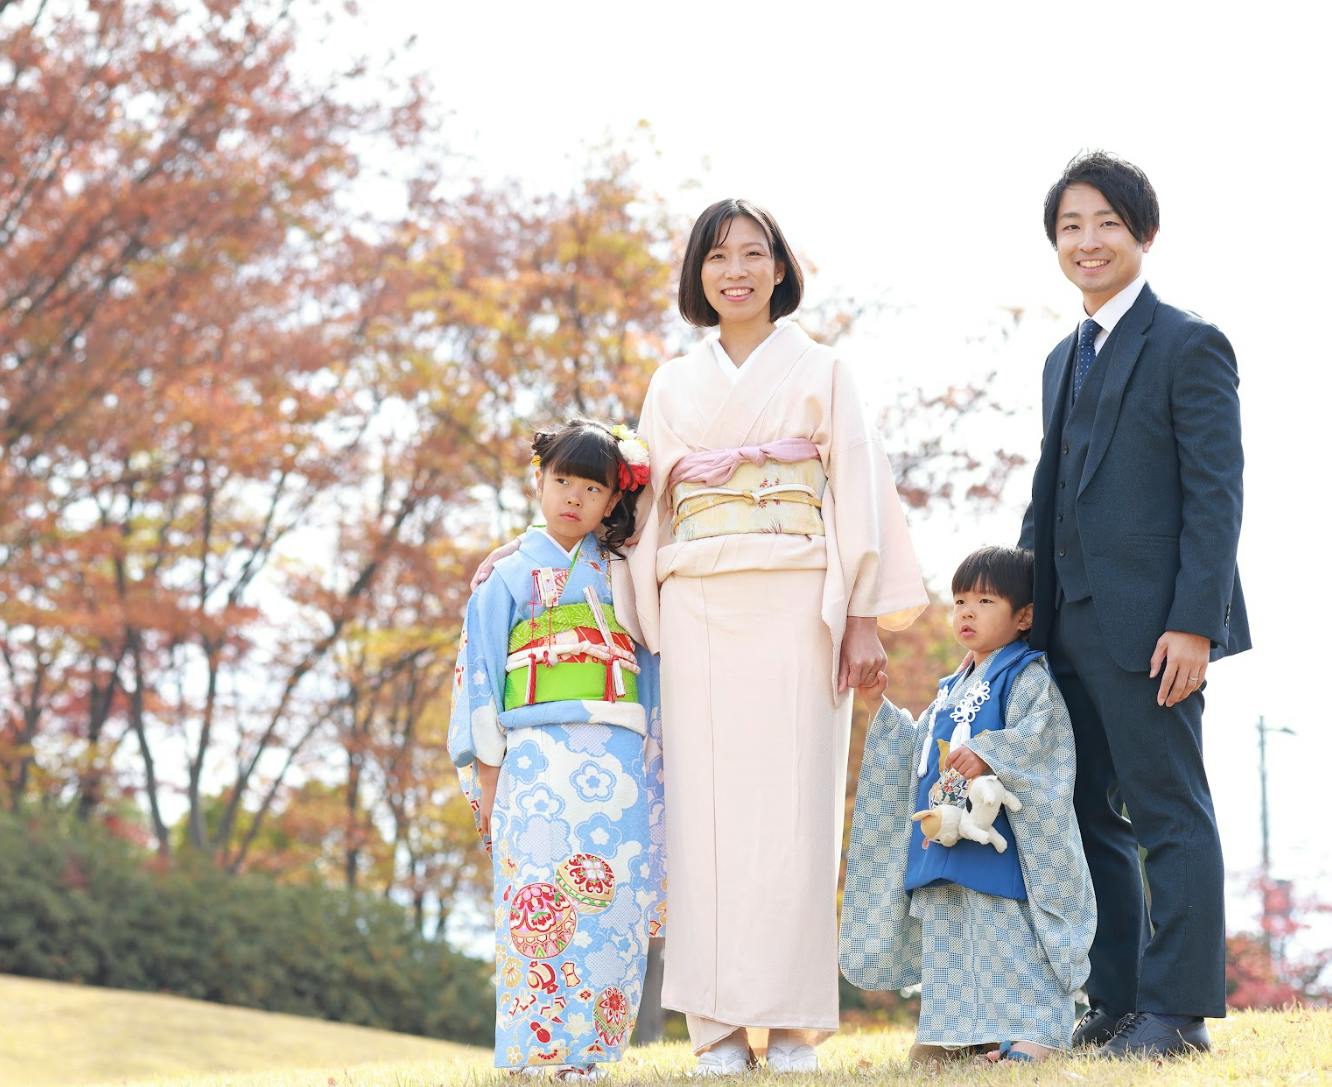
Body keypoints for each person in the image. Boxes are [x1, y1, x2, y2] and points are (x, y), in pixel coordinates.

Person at [626, 199, 927, 1075]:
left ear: (781, 268)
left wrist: (861, 616)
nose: (737, 271)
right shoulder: (671, 384)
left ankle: (793, 1025)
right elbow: (644, 508)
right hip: (698, 600)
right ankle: (716, 1028)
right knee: (705, 818)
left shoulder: (824, 370)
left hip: (800, 598)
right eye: (718, 257)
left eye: (753, 253)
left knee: (797, 814)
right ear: (699, 274)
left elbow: (858, 488)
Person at [1020, 151, 1249, 1058]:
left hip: (1157, 629)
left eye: (1106, 223)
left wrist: (1195, 623)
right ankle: (1115, 999)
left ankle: (1178, 1013)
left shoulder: (1190, 343)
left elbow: (1216, 494)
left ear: (1144, 233)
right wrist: (1017, 619)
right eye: (1070, 226)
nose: (1088, 241)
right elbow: (1050, 495)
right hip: (1064, 625)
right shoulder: (1060, 358)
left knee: (1168, 812)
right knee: (1085, 816)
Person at [448, 419, 666, 1078]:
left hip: (618, 755)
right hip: (536, 754)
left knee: (611, 903)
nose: (574, 496)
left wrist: (654, 757)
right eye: (562, 479)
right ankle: (533, 1048)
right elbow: (481, 674)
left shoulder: (626, 572)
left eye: (593, 487)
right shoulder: (506, 574)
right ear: (539, 481)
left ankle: (592, 1054)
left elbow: (651, 666)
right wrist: (490, 777)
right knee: (535, 899)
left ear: (613, 498)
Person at [839, 546, 1095, 1065]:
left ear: (1024, 616)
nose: (967, 613)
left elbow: (1042, 742)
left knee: (1009, 942)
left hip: (999, 849)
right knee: (951, 942)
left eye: (985, 601)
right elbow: (919, 754)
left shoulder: (1026, 676)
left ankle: (1034, 1035)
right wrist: (875, 703)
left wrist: (989, 753)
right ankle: (958, 1034)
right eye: (959, 602)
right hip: (944, 843)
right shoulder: (952, 687)